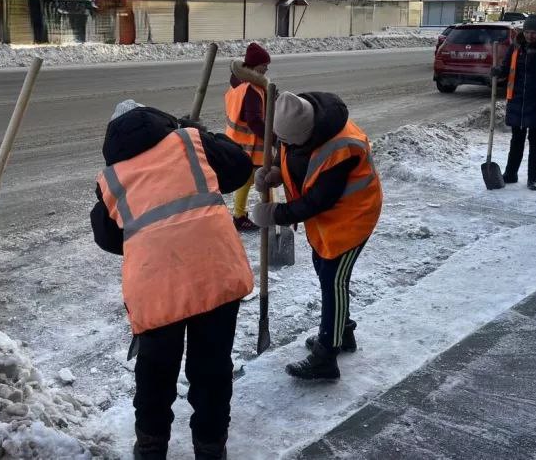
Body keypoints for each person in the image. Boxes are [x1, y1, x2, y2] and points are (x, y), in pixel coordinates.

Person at [90, 100, 254, 460]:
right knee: (211, 366)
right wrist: (199, 132)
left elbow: (107, 238)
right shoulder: (190, 141)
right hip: (215, 271)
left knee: (156, 366)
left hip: (156, 286)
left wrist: (150, 236)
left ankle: (150, 445)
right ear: (158, 119)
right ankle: (210, 447)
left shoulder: (112, 177)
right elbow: (240, 168)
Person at [251, 91, 382, 381]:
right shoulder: (296, 128)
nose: (284, 145)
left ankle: (327, 356)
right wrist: (275, 172)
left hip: (353, 217)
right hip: (328, 220)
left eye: (289, 142)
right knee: (324, 271)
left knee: (333, 279)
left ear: (307, 136)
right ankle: (341, 332)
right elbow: (293, 161)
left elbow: (317, 201)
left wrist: (276, 214)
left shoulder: (339, 149)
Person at [492, 14, 536, 191]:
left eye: (534, 32)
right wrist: (498, 71)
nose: (530, 36)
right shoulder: (517, 46)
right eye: (527, 32)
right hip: (517, 98)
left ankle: (533, 178)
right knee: (516, 139)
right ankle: (511, 173)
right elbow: (507, 67)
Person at [225, 42, 271, 231]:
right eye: (264, 65)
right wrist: (272, 138)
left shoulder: (239, 83)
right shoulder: (252, 89)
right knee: (249, 179)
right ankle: (239, 216)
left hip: (236, 140)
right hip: (248, 144)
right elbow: (254, 121)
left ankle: (239, 214)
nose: (267, 68)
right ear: (254, 65)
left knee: (247, 179)